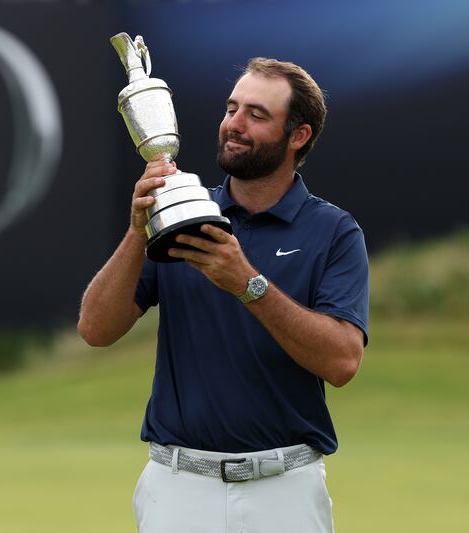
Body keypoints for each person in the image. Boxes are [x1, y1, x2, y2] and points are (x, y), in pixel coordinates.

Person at [77, 57, 369, 533]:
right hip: (178, 487)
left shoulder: (333, 231)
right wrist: (138, 228)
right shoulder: (180, 216)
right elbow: (95, 330)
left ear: (298, 136)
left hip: (285, 488)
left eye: (256, 115)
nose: (234, 124)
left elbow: (342, 363)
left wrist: (248, 284)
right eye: (231, 109)